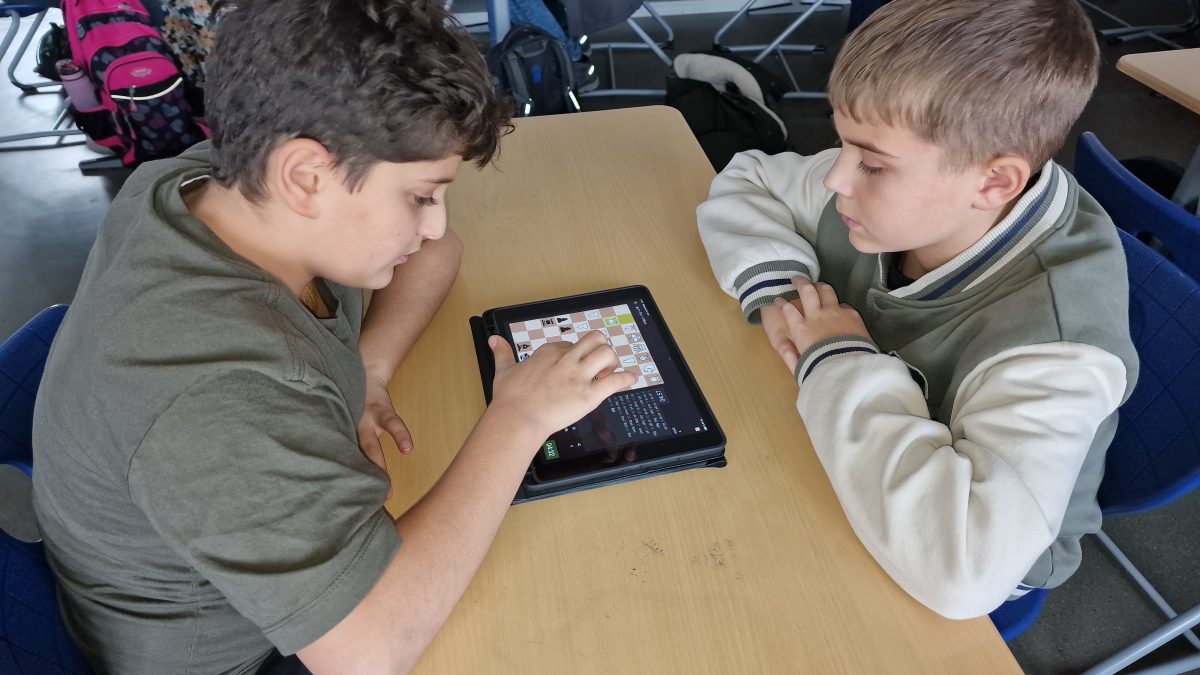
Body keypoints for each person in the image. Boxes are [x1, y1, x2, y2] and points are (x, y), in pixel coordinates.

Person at [31, 0, 635, 672]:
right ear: (305, 176)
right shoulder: (219, 395)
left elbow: (437, 252)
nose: (435, 223)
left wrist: (368, 370)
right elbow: (367, 653)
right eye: (420, 196)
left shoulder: (209, 182)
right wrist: (519, 418)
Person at [697, 0, 1138, 619]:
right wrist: (782, 289)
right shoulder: (929, 180)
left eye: (872, 163)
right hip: (856, 438)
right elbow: (749, 177)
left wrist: (840, 359)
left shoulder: (1056, 347)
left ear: (995, 183)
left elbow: (965, 575)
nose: (836, 179)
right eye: (842, 143)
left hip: (955, 554)